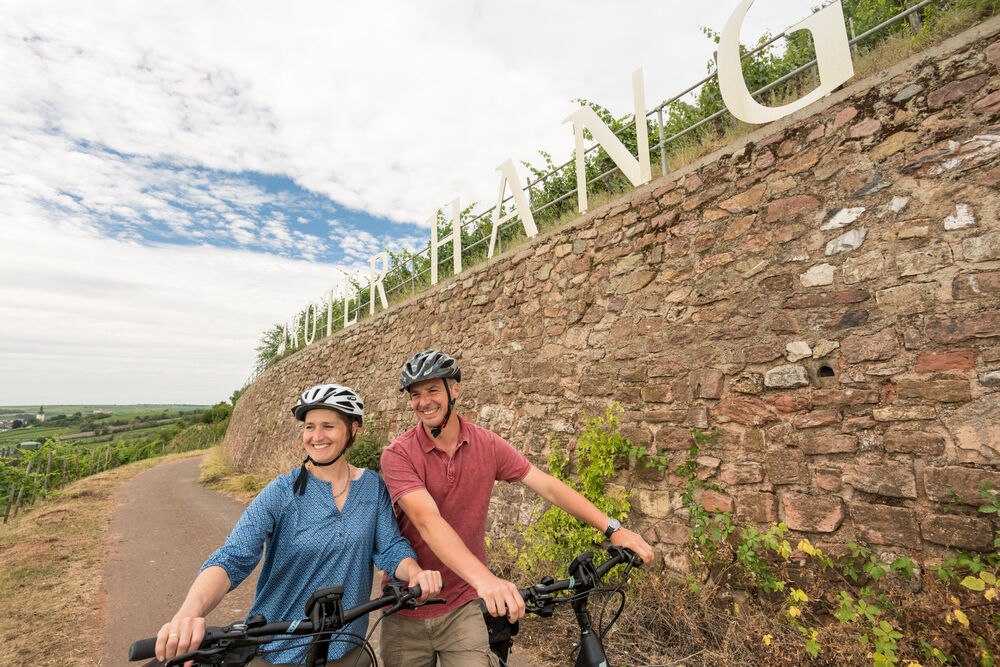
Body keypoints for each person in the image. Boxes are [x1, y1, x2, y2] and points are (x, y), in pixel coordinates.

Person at [379, 350, 654, 666]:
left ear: (454, 390)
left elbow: (547, 486)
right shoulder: (398, 454)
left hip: (462, 604)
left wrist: (613, 529)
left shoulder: (487, 444)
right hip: (406, 607)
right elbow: (427, 520)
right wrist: (486, 580)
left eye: (432, 391)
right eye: (415, 395)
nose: (423, 401)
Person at [155, 383, 442, 667]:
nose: (316, 436)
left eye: (328, 426)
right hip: (276, 652)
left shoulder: (372, 488)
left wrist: (415, 572)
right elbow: (233, 557)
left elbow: (390, 548)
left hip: (346, 651)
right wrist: (188, 614)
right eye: (309, 426)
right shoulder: (282, 492)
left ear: (354, 429)